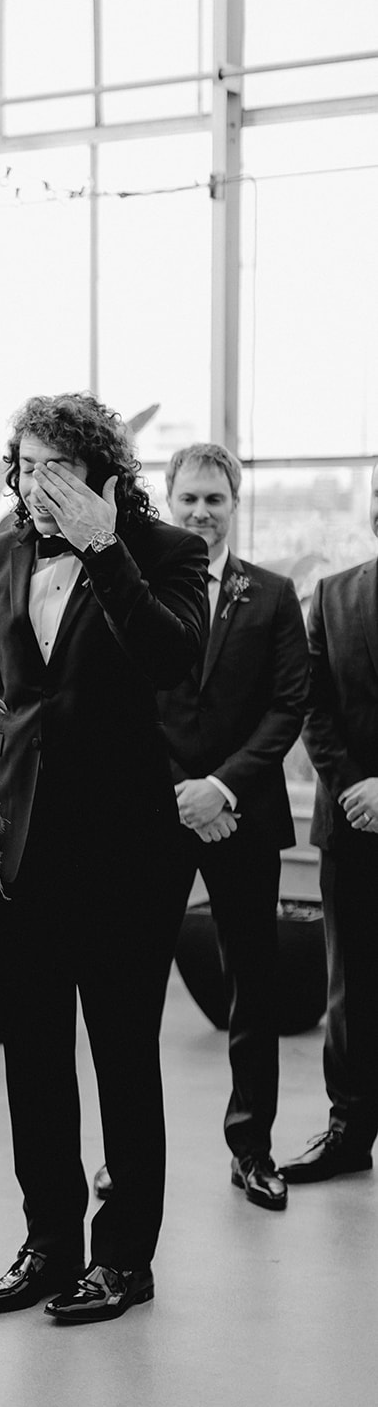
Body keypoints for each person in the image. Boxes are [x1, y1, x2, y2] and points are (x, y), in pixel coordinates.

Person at [0, 392, 207, 1324]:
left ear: (97, 471)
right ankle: (47, 1246)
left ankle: (123, 1258)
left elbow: (173, 662)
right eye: (21, 465)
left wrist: (103, 548)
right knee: (35, 1058)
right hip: (20, 845)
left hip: (127, 851)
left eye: (51, 467)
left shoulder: (169, 553)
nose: (29, 484)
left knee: (124, 1057)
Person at [93, 442, 308, 1210]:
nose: (200, 513)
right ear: (168, 500)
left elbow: (288, 707)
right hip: (154, 814)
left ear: (233, 505)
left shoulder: (274, 595)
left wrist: (219, 788)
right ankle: (126, 1155)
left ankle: (252, 1148)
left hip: (241, 816)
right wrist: (180, 791)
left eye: (214, 500)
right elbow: (123, 706)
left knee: (255, 987)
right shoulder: (138, 589)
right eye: (188, 498)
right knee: (134, 991)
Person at [280, 461, 378, 1183]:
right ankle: (347, 1133)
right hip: (351, 824)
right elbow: (311, 706)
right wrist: (355, 787)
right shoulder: (333, 595)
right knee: (352, 986)